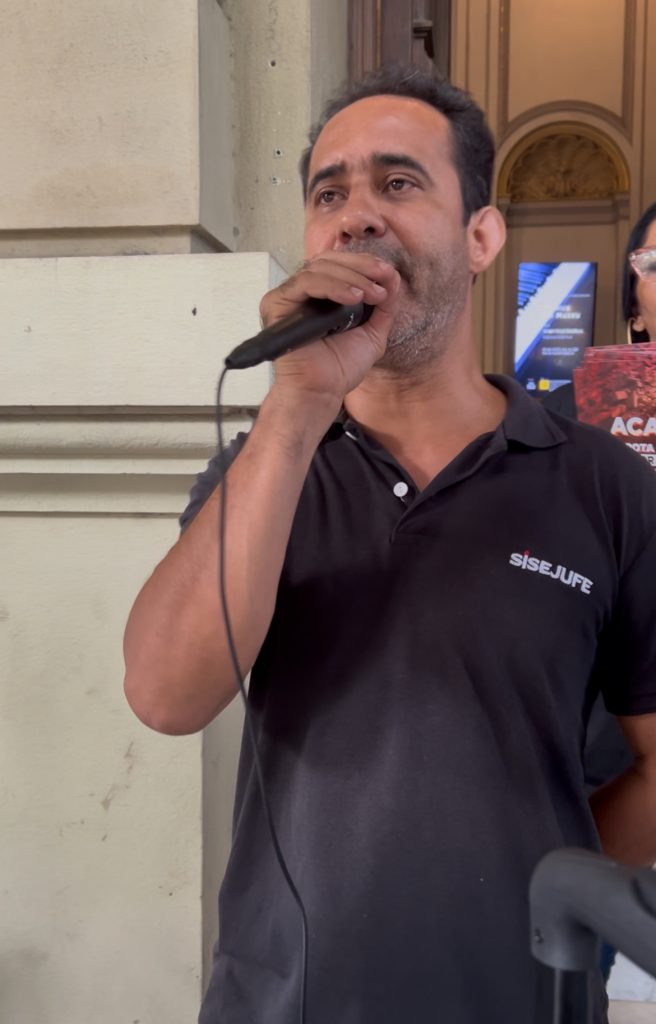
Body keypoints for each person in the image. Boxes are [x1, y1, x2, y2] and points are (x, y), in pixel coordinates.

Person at [123, 66, 656, 1024]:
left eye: (399, 183)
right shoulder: (267, 466)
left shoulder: (601, 484)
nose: (357, 216)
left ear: (482, 236)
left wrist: (539, 890)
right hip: (282, 1000)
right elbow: (165, 695)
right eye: (330, 195)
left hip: (523, 999)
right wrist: (298, 403)